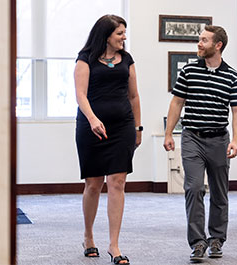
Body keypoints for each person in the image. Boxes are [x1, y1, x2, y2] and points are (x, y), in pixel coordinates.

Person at [163, 25, 237, 262]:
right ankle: (198, 242)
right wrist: (169, 133)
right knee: (194, 187)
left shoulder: (232, 76)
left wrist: (236, 140)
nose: (199, 44)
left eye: (204, 40)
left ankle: (217, 238)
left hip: (219, 139)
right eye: (199, 40)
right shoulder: (188, 71)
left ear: (217, 45)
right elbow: (177, 103)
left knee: (219, 192)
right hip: (192, 137)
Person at [74, 14, 142, 265]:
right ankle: (89, 236)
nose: (124, 37)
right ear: (106, 35)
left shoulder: (127, 59)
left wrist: (138, 127)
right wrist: (92, 119)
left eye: (125, 33)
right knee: (94, 183)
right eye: (120, 33)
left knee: (117, 182)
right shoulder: (86, 59)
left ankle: (114, 245)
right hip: (90, 126)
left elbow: (134, 96)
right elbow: (80, 95)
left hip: (122, 126)